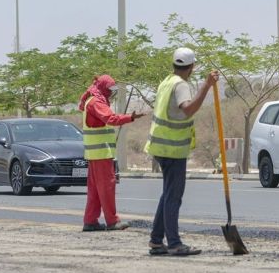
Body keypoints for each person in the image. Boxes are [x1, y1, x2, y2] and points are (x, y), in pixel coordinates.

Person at [144, 47, 219, 257]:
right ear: (192, 67)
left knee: (167, 193)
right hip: (172, 148)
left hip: (160, 146)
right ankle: (175, 243)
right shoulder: (180, 85)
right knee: (173, 196)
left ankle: (156, 241)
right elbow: (188, 109)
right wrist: (207, 85)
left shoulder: (166, 82)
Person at [78, 74, 145, 232]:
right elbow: (111, 119)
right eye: (109, 90)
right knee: (107, 187)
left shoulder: (93, 100)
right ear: (102, 88)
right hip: (101, 153)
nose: (111, 93)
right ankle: (112, 221)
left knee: (95, 190)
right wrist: (130, 117)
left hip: (95, 154)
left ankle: (90, 221)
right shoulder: (96, 102)